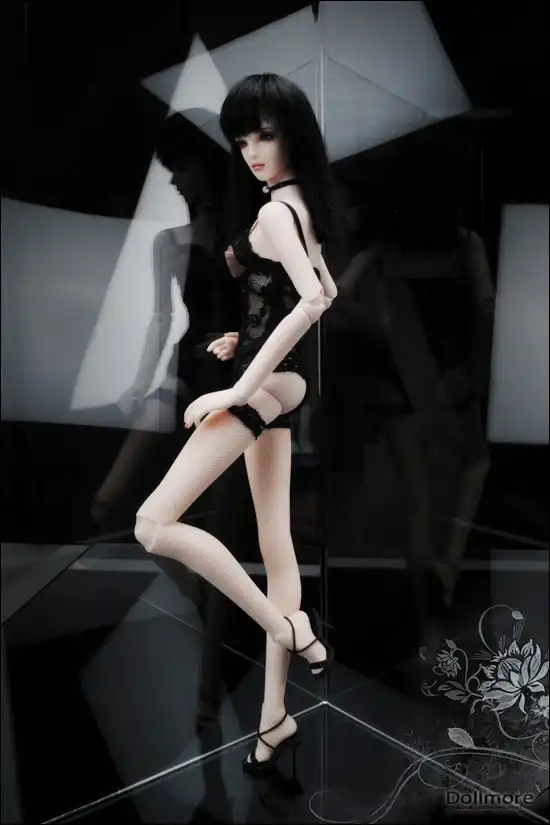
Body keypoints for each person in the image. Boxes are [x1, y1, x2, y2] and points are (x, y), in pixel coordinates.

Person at [134, 74, 339, 776]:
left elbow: (312, 301)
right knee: (277, 546)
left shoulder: (278, 212)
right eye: (243, 138)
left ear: (294, 135)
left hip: (263, 386)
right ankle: (274, 719)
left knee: (153, 523)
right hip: (284, 380)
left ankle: (290, 629)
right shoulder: (299, 203)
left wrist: (237, 387)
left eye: (266, 135)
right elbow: (324, 287)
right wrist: (241, 341)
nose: (252, 150)